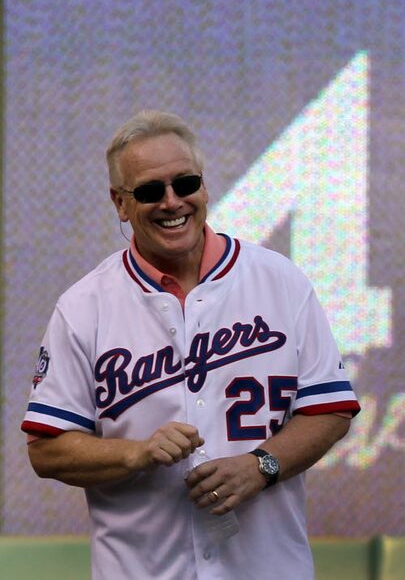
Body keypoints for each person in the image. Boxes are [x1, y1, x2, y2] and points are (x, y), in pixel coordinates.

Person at [21, 110, 360, 579]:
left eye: (185, 183)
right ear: (120, 203)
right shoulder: (84, 306)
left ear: (203, 186)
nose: (171, 201)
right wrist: (133, 454)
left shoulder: (279, 281)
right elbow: (47, 449)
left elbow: (330, 410)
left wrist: (261, 465)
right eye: (148, 191)